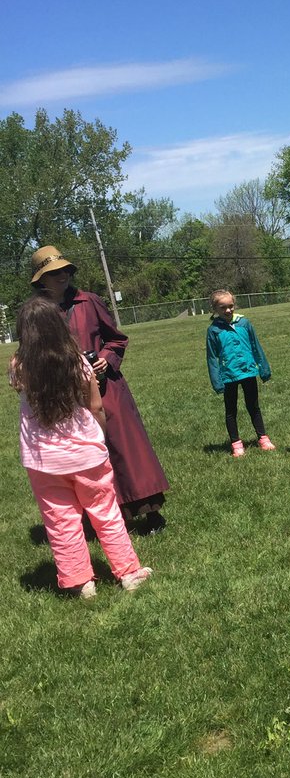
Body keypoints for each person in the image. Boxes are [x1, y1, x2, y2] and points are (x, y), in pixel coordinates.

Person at [10, 297, 153, 598]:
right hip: (87, 454)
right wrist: (99, 436)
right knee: (106, 513)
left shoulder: (19, 366)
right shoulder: (78, 363)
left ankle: (80, 582)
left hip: (42, 460)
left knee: (61, 521)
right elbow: (96, 406)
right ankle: (128, 572)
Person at [31, 245, 169, 531]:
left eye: (65, 270)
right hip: (68, 394)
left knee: (126, 446)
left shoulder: (89, 301)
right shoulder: (38, 313)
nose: (62, 276)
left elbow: (116, 339)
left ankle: (149, 511)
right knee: (87, 454)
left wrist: (106, 358)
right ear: (41, 279)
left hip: (107, 388)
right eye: (54, 273)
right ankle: (107, 517)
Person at [206, 290, 276, 457]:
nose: (228, 310)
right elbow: (212, 357)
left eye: (230, 306)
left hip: (248, 371)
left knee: (254, 406)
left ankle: (263, 438)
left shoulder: (244, 323)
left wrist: (264, 369)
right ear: (215, 309)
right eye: (223, 307)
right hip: (228, 375)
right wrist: (217, 381)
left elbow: (255, 346)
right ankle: (236, 443)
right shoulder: (214, 330)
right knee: (231, 410)